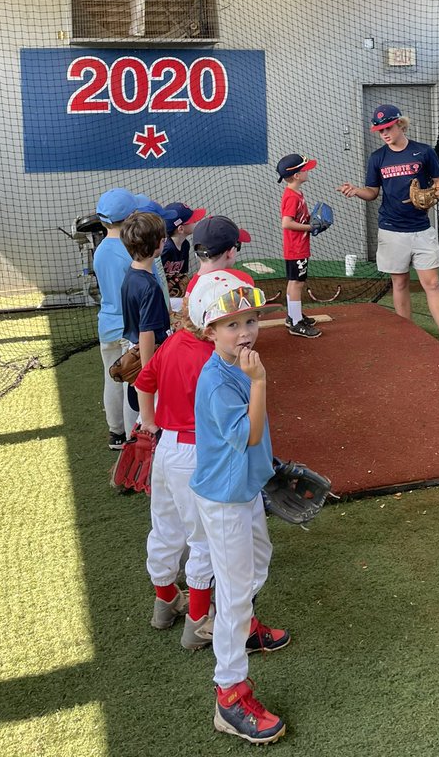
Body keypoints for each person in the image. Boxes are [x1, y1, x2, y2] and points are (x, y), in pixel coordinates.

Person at [190, 271, 290, 745]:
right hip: (224, 498)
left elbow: (256, 442)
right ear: (208, 331)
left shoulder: (237, 367)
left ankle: (244, 624)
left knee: (258, 563)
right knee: (232, 594)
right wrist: (260, 381)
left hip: (243, 488)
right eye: (231, 324)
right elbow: (248, 433)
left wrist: (269, 467)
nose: (246, 331)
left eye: (250, 319)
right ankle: (229, 696)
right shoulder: (220, 380)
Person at [338, 103, 439, 360]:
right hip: (391, 229)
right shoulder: (378, 158)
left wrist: (435, 196)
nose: (384, 133)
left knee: (431, 283)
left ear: (401, 124)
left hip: (421, 230)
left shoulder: (424, 152)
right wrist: (356, 191)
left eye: (387, 128)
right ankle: (407, 335)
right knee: (399, 282)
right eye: (380, 130)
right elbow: (372, 192)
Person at [134, 308, 216, 650]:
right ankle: (198, 621)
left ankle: (166, 601)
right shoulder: (214, 355)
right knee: (204, 538)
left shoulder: (173, 342)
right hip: (197, 452)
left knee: (166, 528)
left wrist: (149, 425)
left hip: (166, 448)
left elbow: (142, 383)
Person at [93, 187, 139, 449]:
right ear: (132, 216)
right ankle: (134, 436)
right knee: (132, 383)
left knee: (112, 378)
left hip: (107, 324)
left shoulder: (100, 250)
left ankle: (116, 433)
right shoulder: (129, 250)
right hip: (129, 327)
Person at [276, 153, 322, 339]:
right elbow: (286, 223)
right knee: (297, 283)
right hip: (296, 247)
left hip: (297, 246)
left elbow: (298, 218)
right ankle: (295, 323)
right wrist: (310, 227)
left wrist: (312, 221)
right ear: (296, 175)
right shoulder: (292, 197)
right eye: (305, 168)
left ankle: (292, 316)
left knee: (294, 282)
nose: (308, 170)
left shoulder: (296, 193)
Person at [120, 211, 172, 374]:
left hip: (136, 346)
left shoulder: (131, 273)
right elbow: (146, 332)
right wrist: (148, 370)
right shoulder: (150, 287)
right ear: (158, 244)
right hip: (151, 352)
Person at [161, 202, 206, 311]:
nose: (195, 221)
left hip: (176, 293)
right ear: (181, 229)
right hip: (164, 296)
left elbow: (183, 274)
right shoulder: (166, 248)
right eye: (192, 221)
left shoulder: (185, 244)